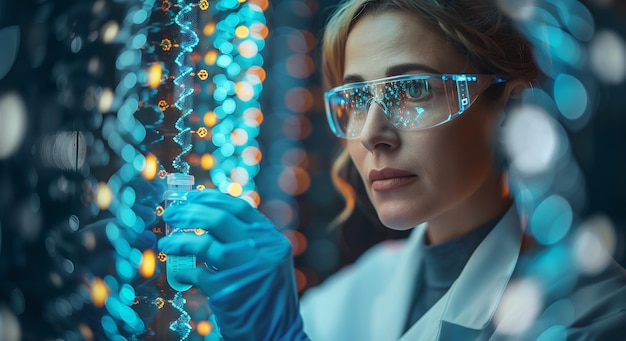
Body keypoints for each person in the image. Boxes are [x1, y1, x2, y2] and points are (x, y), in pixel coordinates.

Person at [158, 0, 626, 340]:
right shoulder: (353, 295)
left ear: (513, 107)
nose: (372, 134)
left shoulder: (595, 317)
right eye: (356, 98)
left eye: (414, 89)